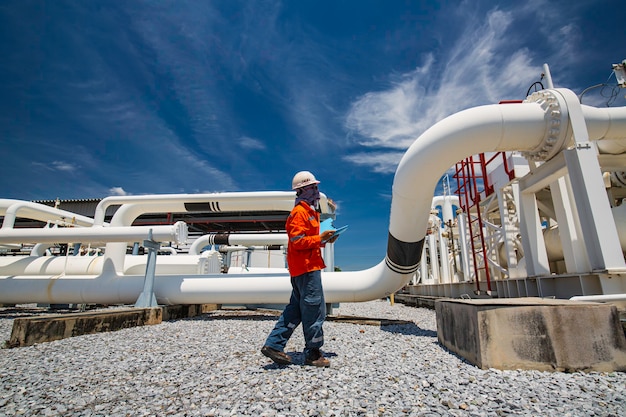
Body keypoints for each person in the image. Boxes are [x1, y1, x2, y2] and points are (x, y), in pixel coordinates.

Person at [261, 171, 338, 367]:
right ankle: (313, 353)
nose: (316, 191)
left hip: (305, 267)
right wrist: (319, 239)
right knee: (314, 309)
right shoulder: (299, 213)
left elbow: (307, 241)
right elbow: (297, 241)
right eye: (312, 187)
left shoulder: (310, 212)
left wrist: (324, 240)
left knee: (295, 309)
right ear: (302, 190)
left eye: (315, 187)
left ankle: (274, 345)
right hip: (306, 268)